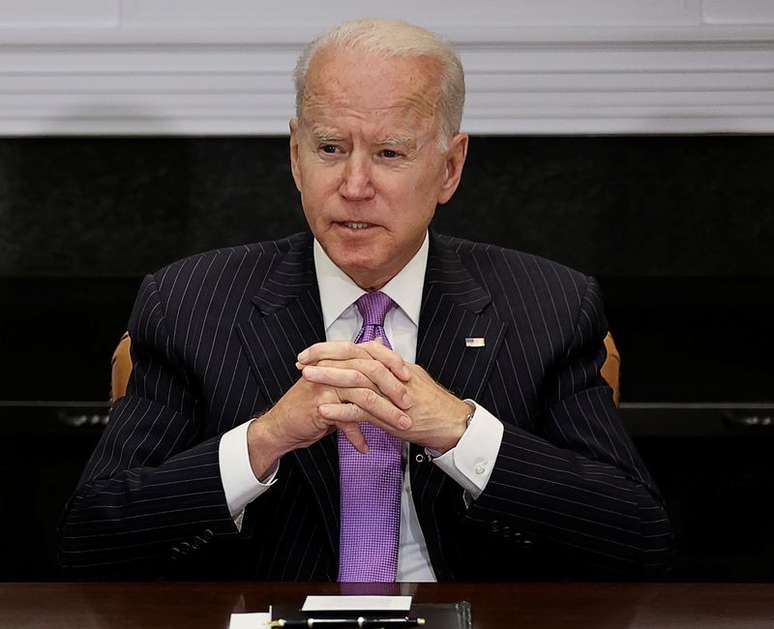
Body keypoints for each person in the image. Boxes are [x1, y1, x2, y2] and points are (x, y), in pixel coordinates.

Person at [60, 18, 672, 581]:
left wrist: (461, 433)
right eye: (330, 149)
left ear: (450, 167)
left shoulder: (547, 305)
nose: (354, 186)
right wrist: (263, 441)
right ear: (295, 155)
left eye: (389, 153)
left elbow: (638, 537)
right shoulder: (190, 303)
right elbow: (91, 539)